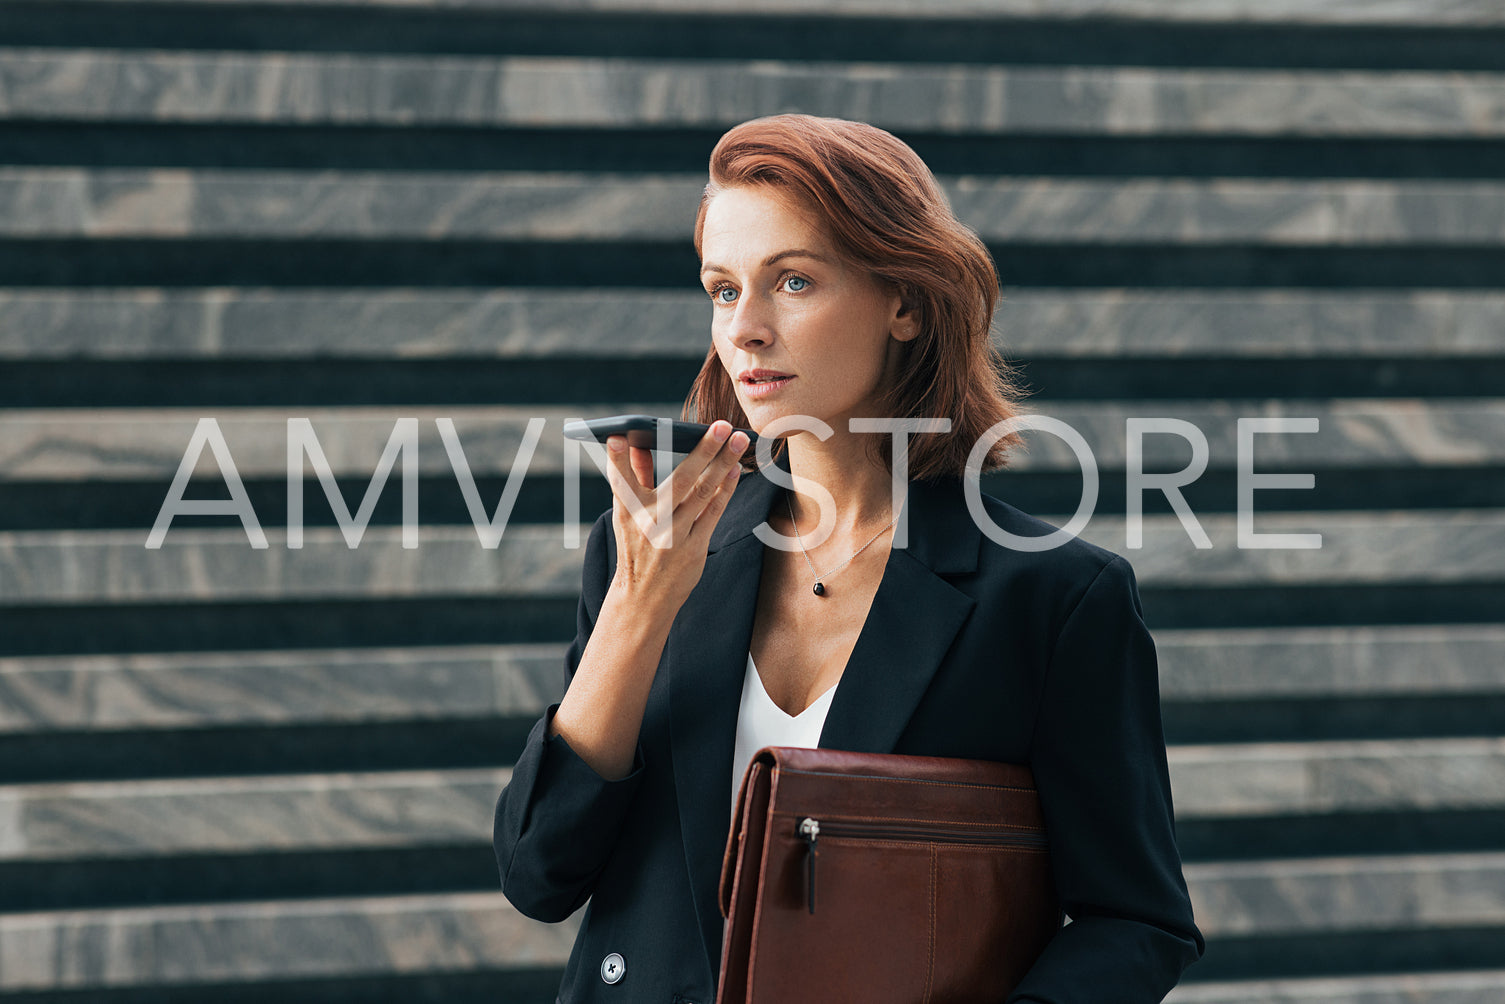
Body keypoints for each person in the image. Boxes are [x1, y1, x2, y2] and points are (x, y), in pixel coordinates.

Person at [494, 113, 1203, 1004]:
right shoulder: (646, 553)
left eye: (791, 281)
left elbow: (1135, 922)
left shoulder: (1053, 597)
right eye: (722, 289)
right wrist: (640, 608)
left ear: (904, 302)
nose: (744, 329)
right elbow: (537, 875)